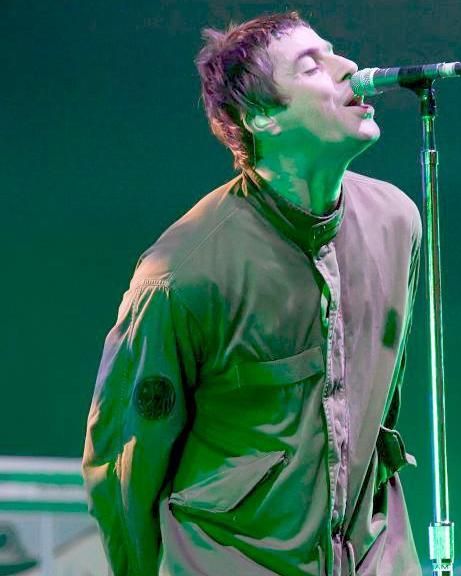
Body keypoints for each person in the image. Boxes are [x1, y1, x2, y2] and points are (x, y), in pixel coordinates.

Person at [82, 12, 421, 575]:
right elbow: (122, 462)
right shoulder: (182, 272)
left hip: (374, 556)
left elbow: (382, 400)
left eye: (335, 52)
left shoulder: (397, 221)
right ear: (262, 116)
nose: (349, 70)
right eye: (311, 65)